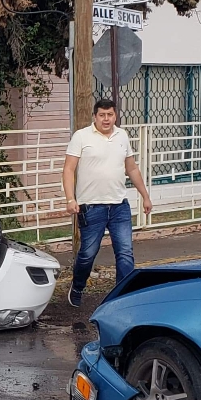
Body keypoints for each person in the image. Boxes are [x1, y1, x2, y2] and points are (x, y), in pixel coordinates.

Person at [62, 99, 153, 308]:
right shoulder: (81, 137)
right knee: (87, 254)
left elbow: (132, 168)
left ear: (115, 116)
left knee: (125, 253)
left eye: (110, 115)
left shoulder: (122, 136)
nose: (106, 119)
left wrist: (145, 196)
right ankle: (77, 287)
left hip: (119, 205)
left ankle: (123, 296)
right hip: (91, 207)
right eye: (102, 115)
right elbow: (68, 169)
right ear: (95, 116)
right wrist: (70, 199)